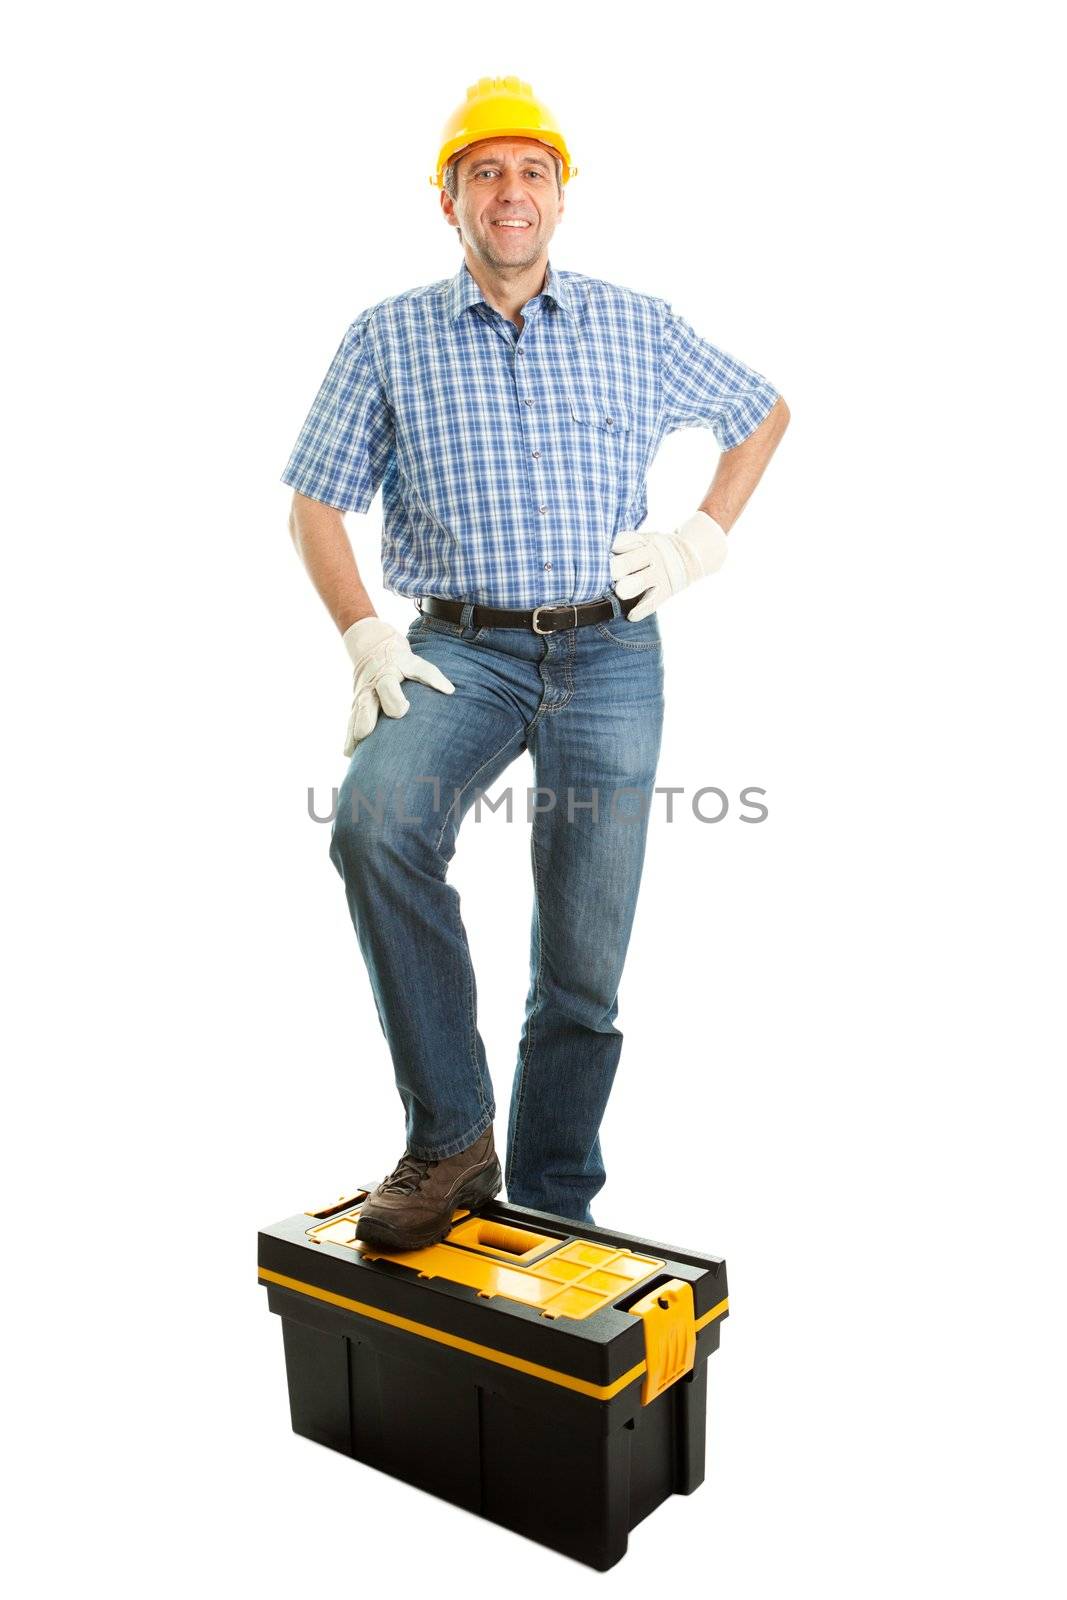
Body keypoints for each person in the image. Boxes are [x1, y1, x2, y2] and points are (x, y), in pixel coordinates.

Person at [283, 76, 789, 1249]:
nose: (509, 194)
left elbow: (759, 410)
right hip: (460, 650)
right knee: (373, 823)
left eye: (531, 173)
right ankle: (452, 1135)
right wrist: (366, 633)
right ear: (448, 200)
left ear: (560, 196)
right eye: (484, 173)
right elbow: (315, 503)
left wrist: (701, 536)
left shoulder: (636, 324)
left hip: (610, 654)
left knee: (581, 967)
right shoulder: (387, 335)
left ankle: (553, 1208)